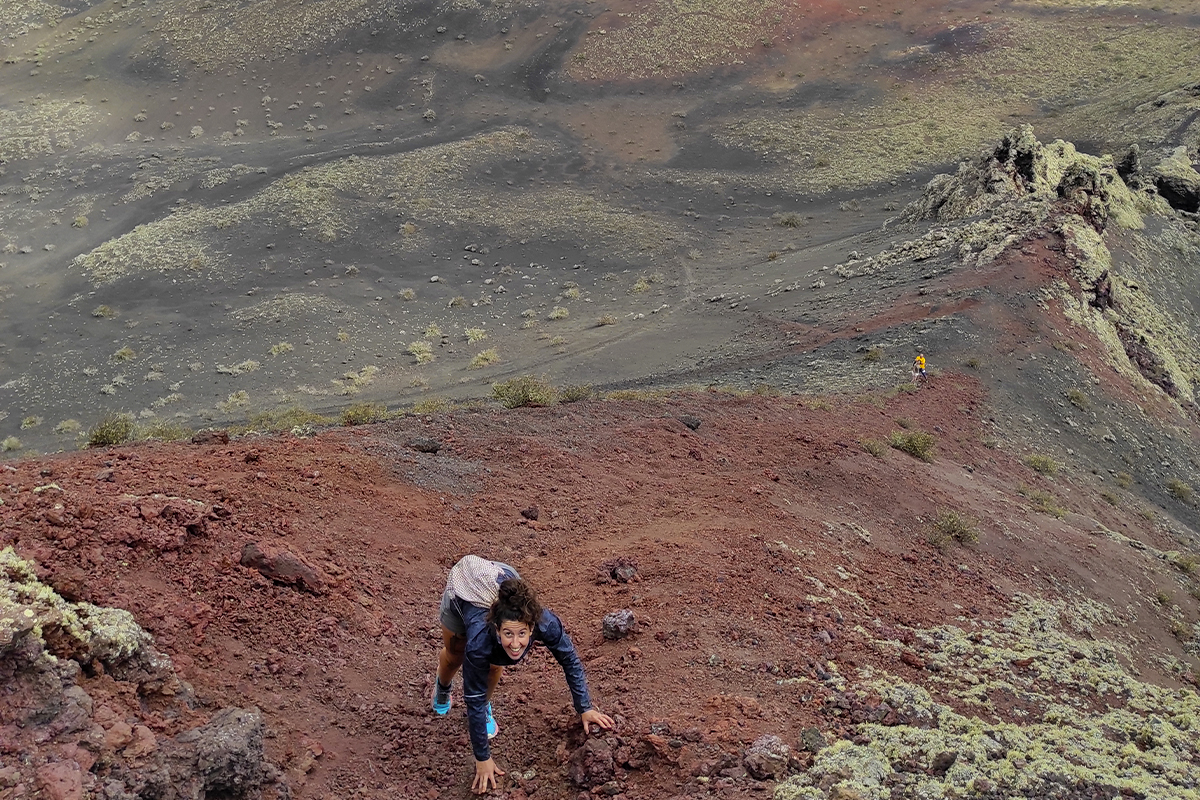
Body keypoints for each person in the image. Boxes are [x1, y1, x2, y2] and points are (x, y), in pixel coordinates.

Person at [433, 555, 615, 794]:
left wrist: (585, 707)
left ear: (532, 627)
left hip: (503, 578)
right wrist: (482, 758)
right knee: (455, 657)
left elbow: (569, 660)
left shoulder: (545, 623)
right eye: (508, 634)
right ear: (497, 628)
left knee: (495, 663)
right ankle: (443, 688)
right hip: (463, 591)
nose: (516, 643)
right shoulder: (479, 640)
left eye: (522, 634)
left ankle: (489, 704)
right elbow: (473, 696)